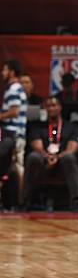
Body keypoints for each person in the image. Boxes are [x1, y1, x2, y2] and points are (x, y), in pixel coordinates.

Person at [23, 95, 78, 211]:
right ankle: (25, 200)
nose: (51, 108)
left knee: (70, 157)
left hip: (63, 164)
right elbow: (37, 146)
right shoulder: (38, 127)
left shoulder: (72, 127)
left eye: (54, 105)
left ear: (60, 107)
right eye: (48, 106)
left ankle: (77, 201)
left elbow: (73, 147)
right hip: (44, 163)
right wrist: (47, 157)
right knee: (33, 157)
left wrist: (57, 158)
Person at [0, 59, 27, 202]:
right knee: (12, 167)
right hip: (10, 133)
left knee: (17, 167)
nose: (2, 73)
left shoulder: (14, 88)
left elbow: (14, 111)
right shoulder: (14, 88)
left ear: (11, 72)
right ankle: (16, 200)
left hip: (14, 134)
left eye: (4, 70)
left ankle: (22, 200)